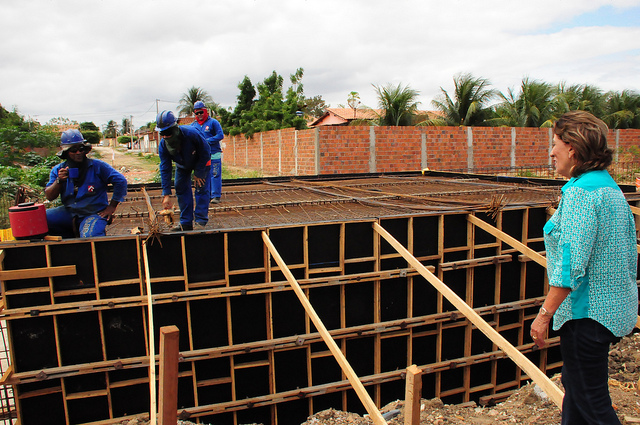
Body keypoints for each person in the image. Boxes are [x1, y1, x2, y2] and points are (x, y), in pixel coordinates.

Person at [530, 111, 638, 424]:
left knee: (593, 403)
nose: (551, 153)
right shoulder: (606, 186)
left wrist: (544, 316)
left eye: (555, 145)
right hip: (609, 312)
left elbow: (571, 266)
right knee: (577, 397)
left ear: (572, 149)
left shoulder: (580, 193)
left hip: (586, 314)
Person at [45, 129, 128, 238]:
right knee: (39, 220)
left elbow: (121, 181)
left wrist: (111, 207)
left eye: (81, 149)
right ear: (66, 153)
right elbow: (49, 196)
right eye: (73, 150)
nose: (78, 153)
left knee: (90, 237)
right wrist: (59, 181)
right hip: (69, 212)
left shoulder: (97, 166)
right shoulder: (58, 170)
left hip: (93, 213)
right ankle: (69, 237)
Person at [156, 110, 211, 231]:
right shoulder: (163, 145)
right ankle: (186, 223)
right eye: (162, 133)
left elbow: (206, 151)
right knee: (180, 187)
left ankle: (200, 221)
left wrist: (199, 172)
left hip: (201, 161)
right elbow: (165, 168)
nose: (165, 136)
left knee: (201, 187)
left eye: (168, 132)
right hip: (182, 165)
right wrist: (166, 194)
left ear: (175, 128)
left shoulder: (191, 134)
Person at [191, 100, 224, 203]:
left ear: (205, 111)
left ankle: (216, 195)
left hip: (214, 153)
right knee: (204, 175)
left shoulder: (213, 122)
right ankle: (208, 194)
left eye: (201, 112)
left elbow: (220, 135)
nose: (199, 115)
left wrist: (207, 141)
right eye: (197, 113)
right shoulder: (193, 126)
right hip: (202, 156)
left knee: (215, 174)